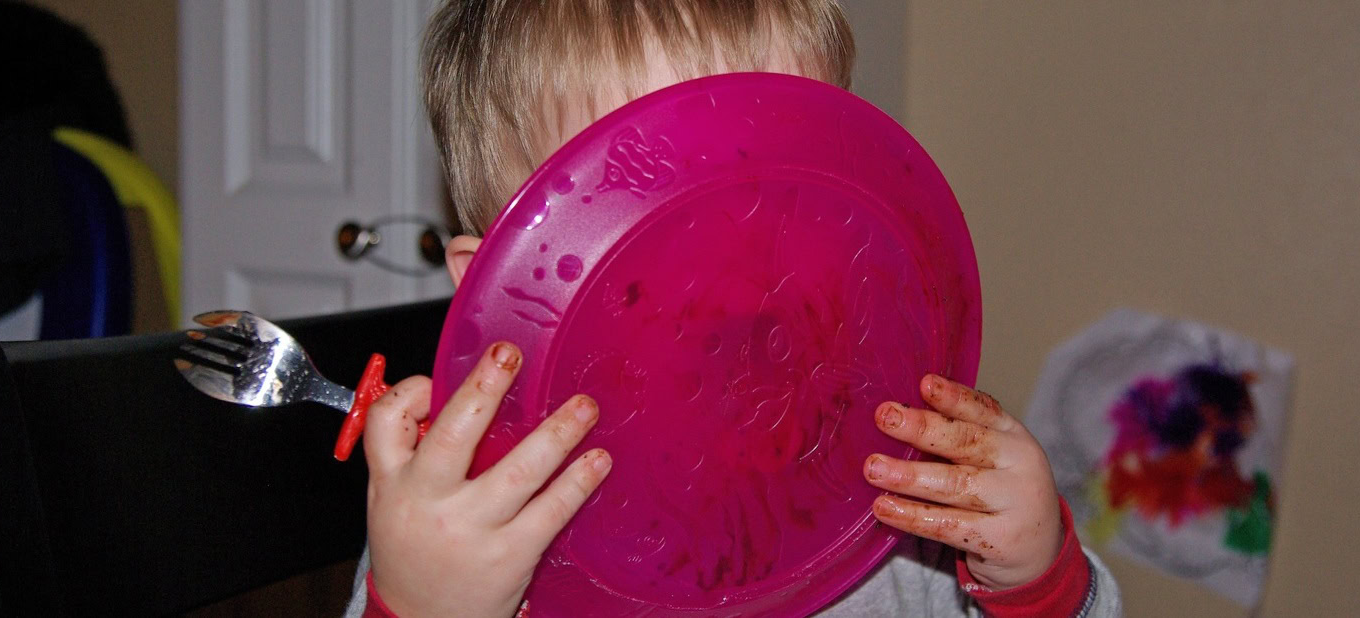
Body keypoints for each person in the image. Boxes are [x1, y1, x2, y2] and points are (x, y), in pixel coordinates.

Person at [346, 2, 1122, 616]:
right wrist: (424, 607)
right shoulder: (471, 532)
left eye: (781, 211)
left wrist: (1035, 581)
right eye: (661, 243)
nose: (742, 295)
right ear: (495, 289)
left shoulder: (893, 491)